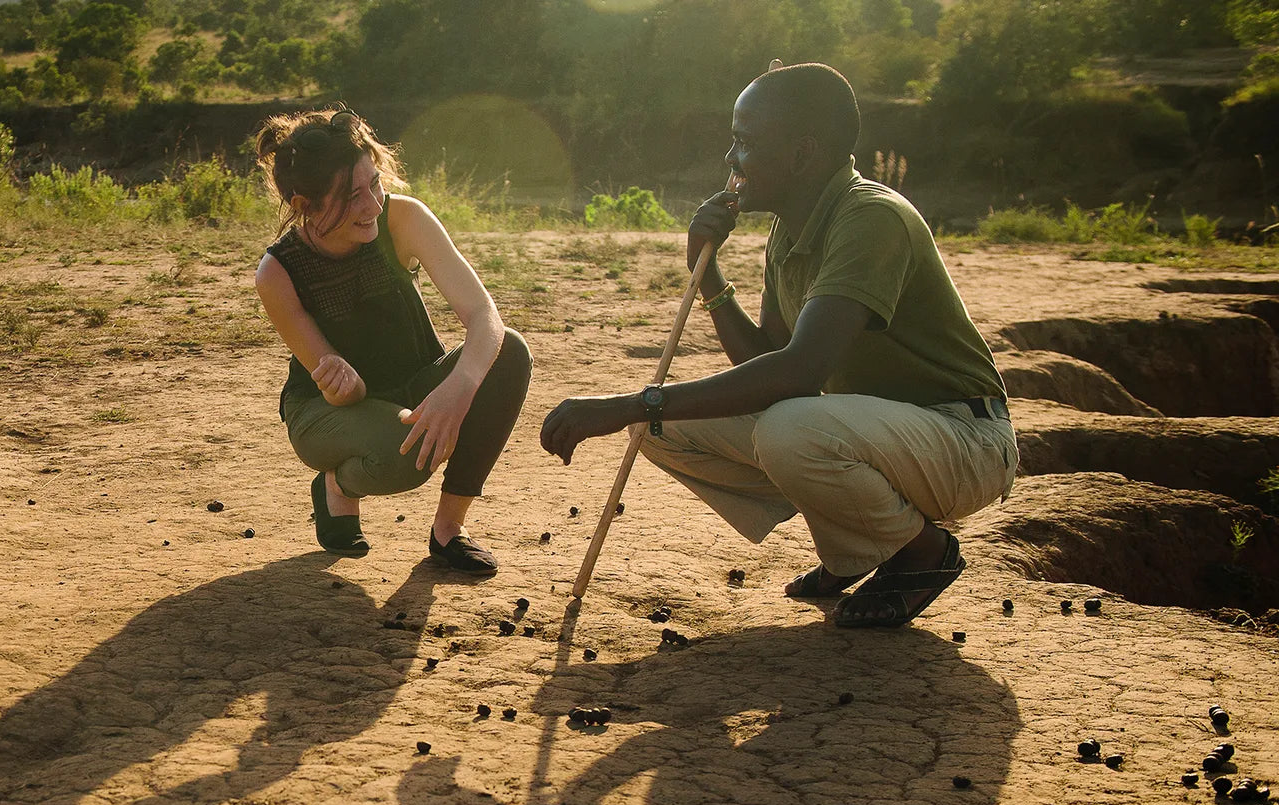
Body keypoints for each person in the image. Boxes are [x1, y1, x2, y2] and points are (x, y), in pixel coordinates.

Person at [539, 63, 1016, 626]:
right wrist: (708, 278)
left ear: (801, 153)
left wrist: (627, 405)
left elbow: (798, 372)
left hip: (961, 440)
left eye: (744, 142)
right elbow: (767, 359)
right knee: (661, 424)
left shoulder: (871, 219)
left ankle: (921, 553)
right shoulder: (789, 229)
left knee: (787, 430)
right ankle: (859, 544)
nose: (730, 160)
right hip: (877, 437)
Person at [251, 107, 531, 574]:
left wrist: (458, 389)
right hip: (326, 411)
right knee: (409, 455)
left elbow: (485, 316)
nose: (374, 205)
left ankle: (448, 532)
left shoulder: (403, 219)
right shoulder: (277, 273)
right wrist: (346, 385)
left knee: (510, 352)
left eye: (374, 183)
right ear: (305, 206)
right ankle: (337, 486)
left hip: (411, 386)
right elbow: (348, 394)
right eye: (352, 196)